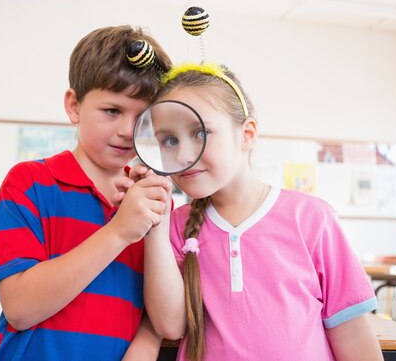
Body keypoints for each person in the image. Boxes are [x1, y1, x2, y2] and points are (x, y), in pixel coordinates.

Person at [139, 63, 383, 361]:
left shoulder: (311, 218)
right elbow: (170, 325)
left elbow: (352, 331)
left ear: (247, 134)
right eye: (169, 140)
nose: (184, 156)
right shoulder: (173, 225)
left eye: (201, 133)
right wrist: (156, 226)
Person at [0, 25, 174, 361]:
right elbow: (21, 308)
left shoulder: (153, 200)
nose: (128, 130)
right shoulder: (29, 182)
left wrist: (145, 347)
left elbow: (157, 315)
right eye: (112, 111)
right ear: (73, 106)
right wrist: (119, 231)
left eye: (143, 116)